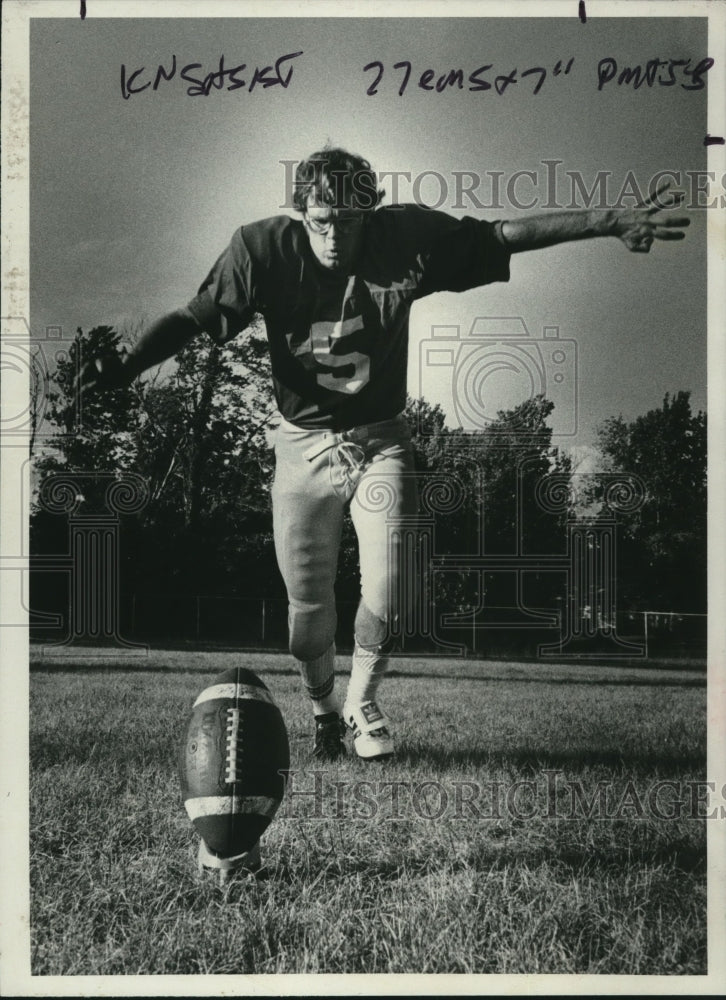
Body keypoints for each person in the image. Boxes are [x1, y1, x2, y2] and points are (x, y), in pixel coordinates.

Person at [79, 146, 688, 769]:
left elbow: (505, 234)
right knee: (306, 616)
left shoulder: (405, 237)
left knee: (394, 588)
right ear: (299, 213)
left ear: (370, 211)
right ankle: (321, 708)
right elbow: (193, 317)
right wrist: (129, 366)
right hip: (300, 445)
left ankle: (362, 702)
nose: (335, 235)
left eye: (348, 220)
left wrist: (609, 220)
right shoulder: (261, 249)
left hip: (380, 437)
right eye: (321, 221)